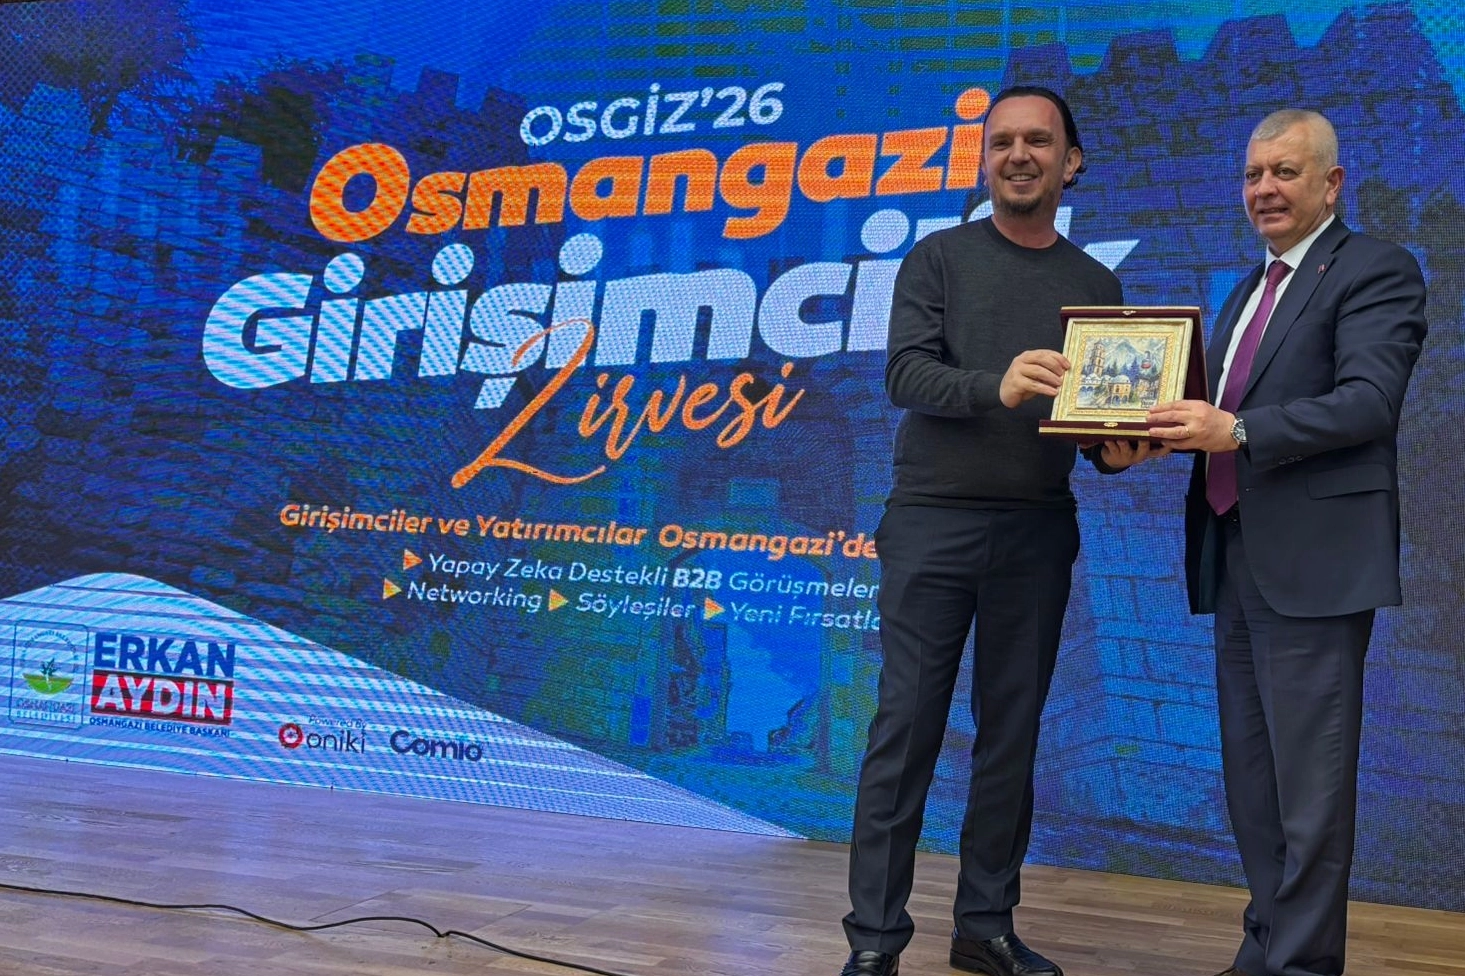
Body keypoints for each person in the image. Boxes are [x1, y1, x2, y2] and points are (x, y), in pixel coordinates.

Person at [839, 85, 1157, 976]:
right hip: (931, 523)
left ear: (1070, 162)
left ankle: (983, 928)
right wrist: (997, 385)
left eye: (1038, 142)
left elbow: (1094, 422)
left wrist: (1115, 453)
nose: (1018, 155)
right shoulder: (937, 258)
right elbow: (905, 375)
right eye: (1002, 142)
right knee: (905, 729)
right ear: (985, 161)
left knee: (1010, 737)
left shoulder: (1096, 285)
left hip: (1036, 532)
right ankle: (874, 941)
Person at [1136, 110, 1427, 976]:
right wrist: (1144, 436)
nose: (1263, 188)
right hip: (1235, 559)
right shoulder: (1245, 290)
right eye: (1252, 174)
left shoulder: (1374, 269)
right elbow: (1219, 416)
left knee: (1308, 794)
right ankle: (1263, 950)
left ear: (1330, 184)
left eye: (1285, 172)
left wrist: (1234, 431)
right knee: (1253, 786)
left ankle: (1300, 966)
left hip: (1313, 567)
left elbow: (1368, 402)